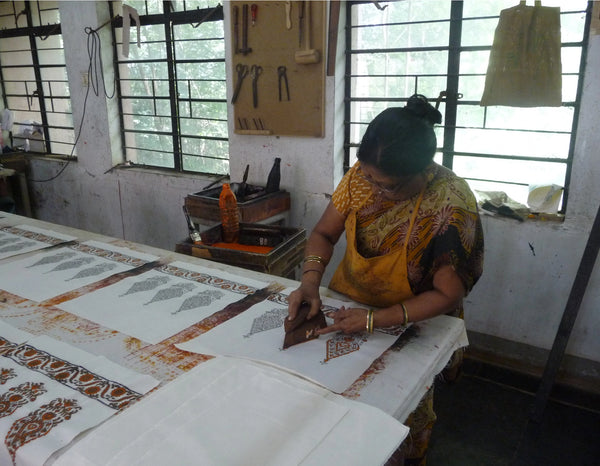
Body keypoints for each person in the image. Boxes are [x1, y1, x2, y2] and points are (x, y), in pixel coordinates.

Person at [287, 94, 484, 465]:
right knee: (330, 406)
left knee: (396, 417)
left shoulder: (449, 205)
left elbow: (446, 294)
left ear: (422, 173)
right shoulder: (362, 178)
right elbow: (324, 235)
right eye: (368, 177)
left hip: (414, 318)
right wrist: (310, 282)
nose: (374, 189)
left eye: (387, 186)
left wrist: (375, 321)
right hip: (352, 305)